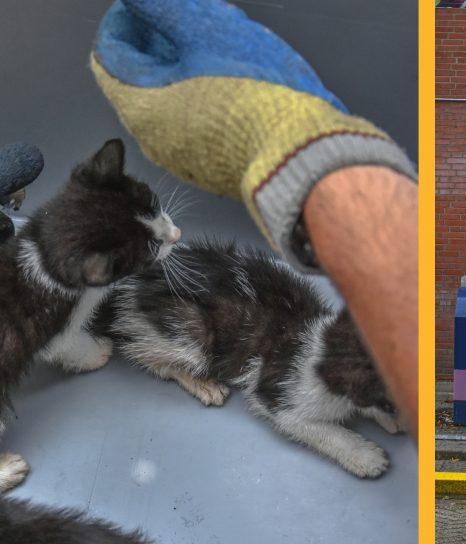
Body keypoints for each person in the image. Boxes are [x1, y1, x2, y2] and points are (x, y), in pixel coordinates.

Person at [89, 0, 418, 438]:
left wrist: (291, 144)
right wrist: (305, 143)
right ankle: (172, 367)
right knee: (190, 335)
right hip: (194, 315)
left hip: (238, 308)